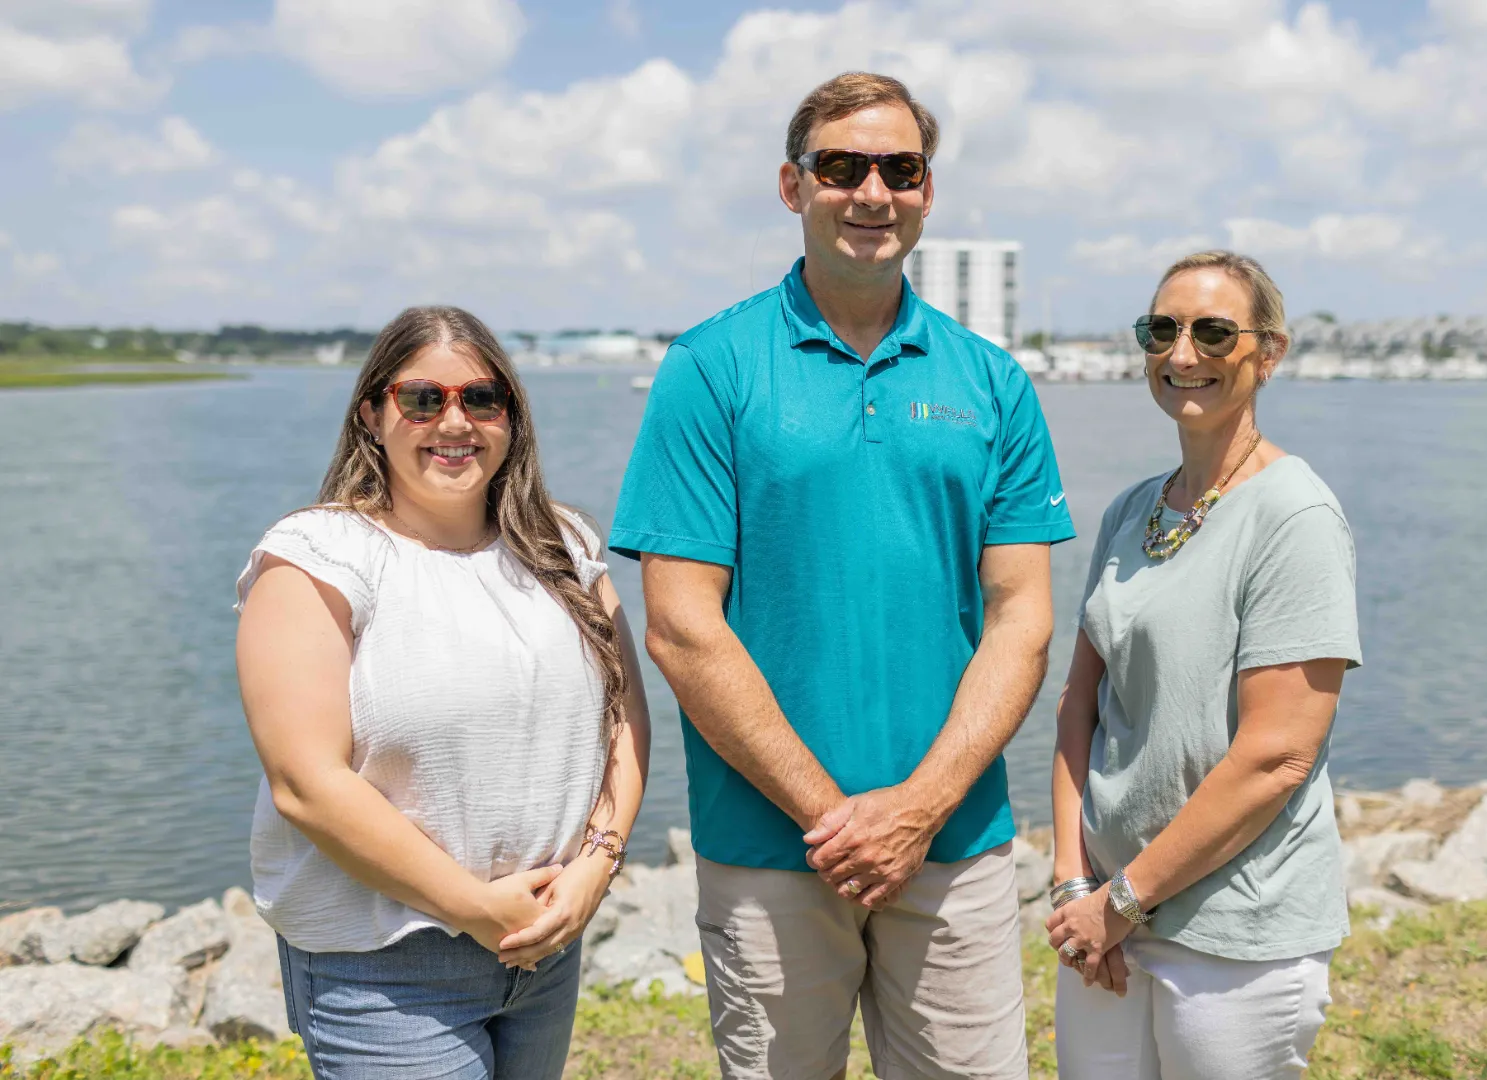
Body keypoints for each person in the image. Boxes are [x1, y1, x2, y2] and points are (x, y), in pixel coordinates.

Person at [608, 71, 1074, 1080]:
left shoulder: (991, 382)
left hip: (955, 845)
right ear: (793, 185)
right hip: (771, 849)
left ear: (927, 191)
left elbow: (1022, 620)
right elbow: (683, 628)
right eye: (842, 166)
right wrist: (837, 818)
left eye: (900, 169)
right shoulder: (712, 367)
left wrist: (915, 809)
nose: (873, 191)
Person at [234, 306, 651, 1080]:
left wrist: (598, 862)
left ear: (511, 417)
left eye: (481, 399)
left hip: (545, 951)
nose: (453, 421)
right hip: (385, 970)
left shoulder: (565, 544)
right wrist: (475, 907)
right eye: (423, 399)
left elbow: (624, 715)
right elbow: (306, 785)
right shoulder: (316, 556)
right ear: (372, 414)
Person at [1045, 251, 1361, 1079]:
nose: (1183, 354)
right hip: (1107, 917)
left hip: (1234, 935)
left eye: (1214, 332)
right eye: (1163, 330)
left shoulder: (1296, 515)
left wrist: (1123, 900)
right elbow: (1081, 706)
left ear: (1269, 352)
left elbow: (1276, 756)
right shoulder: (1130, 510)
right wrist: (1072, 884)